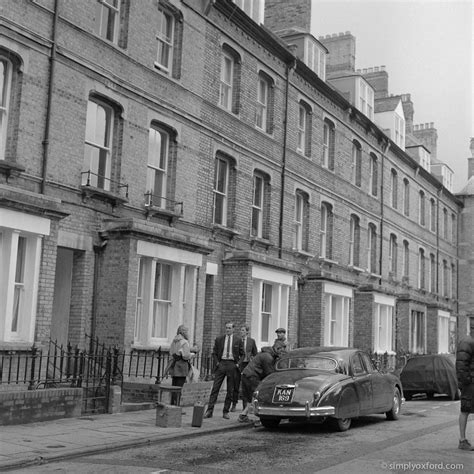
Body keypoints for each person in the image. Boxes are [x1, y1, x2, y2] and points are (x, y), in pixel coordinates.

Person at [238, 340, 287, 423]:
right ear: (277, 348)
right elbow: (269, 373)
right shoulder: (268, 357)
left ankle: (243, 415)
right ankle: (261, 417)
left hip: (247, 375)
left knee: (252, 398)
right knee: (260, 396)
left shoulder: (267, 354)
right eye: (281, 350)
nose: (281, 353)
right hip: (252, 376)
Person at [204, 322, 244, 419]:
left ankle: (225, 411)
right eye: (226, 328)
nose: (227, 330)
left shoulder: (238, 340)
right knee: (215, 388)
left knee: (230, 390)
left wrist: (238, 364)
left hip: (232, 365)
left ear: (233, 329)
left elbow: (242, 354)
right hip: (221, 364)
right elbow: (214, 353)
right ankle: (209, 411)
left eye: (229, 328)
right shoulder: (219, 339)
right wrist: (217, 363)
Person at [456, 317, 474, 450]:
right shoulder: (467, 342)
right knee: (465, 411)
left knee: (466, 411)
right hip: (470, 384)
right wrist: (466, 383)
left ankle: (463, 440)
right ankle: (462, 441)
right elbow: (461, 366)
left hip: (470, 383)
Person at [168, 325, 196, 405]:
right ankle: (177, 406)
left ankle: (172, 404)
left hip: (174, 365)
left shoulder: (174, 341)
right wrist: (192, 355)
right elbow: (185, 356)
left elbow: (171, 352)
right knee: (179, 387)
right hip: (182, 366)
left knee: (174, 386)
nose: (188, 333)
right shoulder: (184, 342)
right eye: (187, 331)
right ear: (183, 332)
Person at [233, 325, 258, 411]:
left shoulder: (251, 341)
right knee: (236, 384)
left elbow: (255, 354)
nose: (241, 332)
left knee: (246, 385)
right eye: (240, 330)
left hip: (247, 365)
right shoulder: (237, 340)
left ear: (247, 332)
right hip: (238, 364)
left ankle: (245, 407)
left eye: (243, 330)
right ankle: (234, 404)